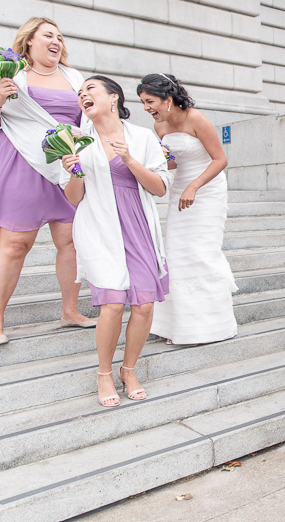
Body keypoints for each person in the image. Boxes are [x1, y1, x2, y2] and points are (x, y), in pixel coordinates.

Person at [0, 17, 95, 345]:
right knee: (15, 245)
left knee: (71, 242)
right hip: (20, 162)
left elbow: (88, 117)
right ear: (28, 42)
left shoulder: (74, 76)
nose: (57, 41)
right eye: (49, 35)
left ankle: (71, 310)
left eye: (60, 36)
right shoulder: (7, 73)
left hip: (66, 166)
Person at [61, 76, 169, 408]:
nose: (83, 94)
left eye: (90, 89)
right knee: (111, 304)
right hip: (99, 226)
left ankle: (129, 369)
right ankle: (104, 373)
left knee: (144, 305)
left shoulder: (141, 136)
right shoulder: (76, 140)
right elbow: (73, 198)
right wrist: (75, 171)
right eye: (80, 93)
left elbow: (160, 187)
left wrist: (131, 159)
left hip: (137, 225)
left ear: (113, 98)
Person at [138, 73, 238, 345]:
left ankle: (210, 326)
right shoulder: (159, 129)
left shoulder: (196, 118)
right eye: (143, 103)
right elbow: (171, 163)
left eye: (150, 102)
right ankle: (179, 325)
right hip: (178, 192)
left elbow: (220, 159)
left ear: (167, 99)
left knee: (201, 252)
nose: (146, 109)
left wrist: (194, 186)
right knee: (177, 255)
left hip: (206, 190)